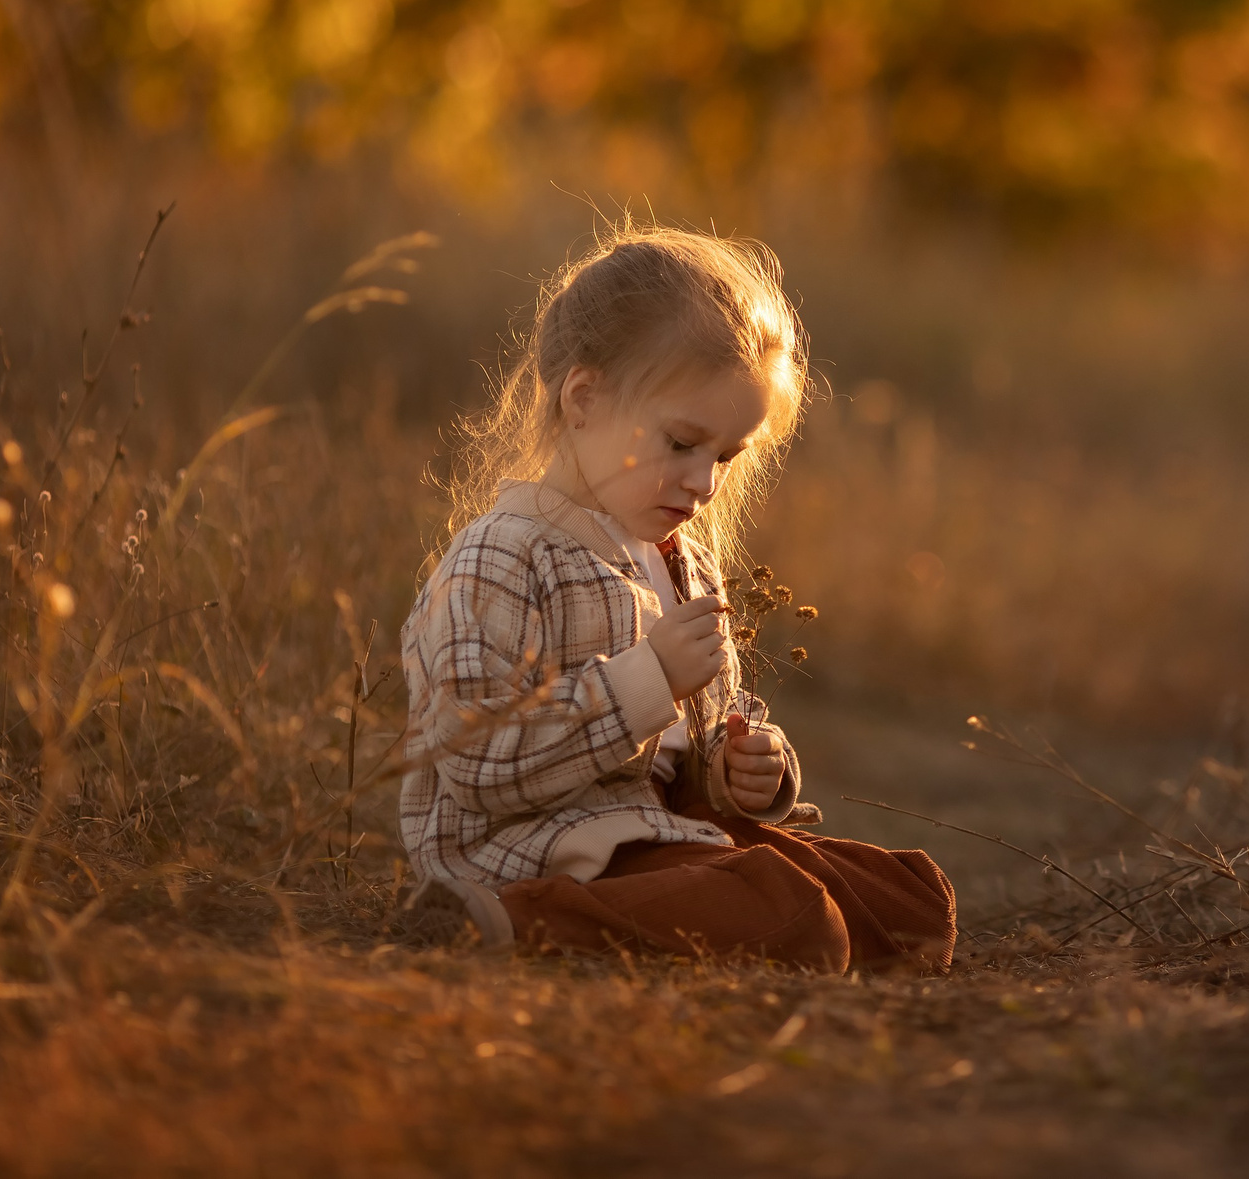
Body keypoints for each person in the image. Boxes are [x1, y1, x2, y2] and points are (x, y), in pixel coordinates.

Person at [399, 224, 954, 972]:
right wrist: (646, 680)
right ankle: (496, 922)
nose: (706, 482)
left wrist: (741, 769)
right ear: (585, 399)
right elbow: (474, 762)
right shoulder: (502, 554)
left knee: (914, 900)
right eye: (682, 443)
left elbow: (689, 745)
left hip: (662, 834)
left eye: (727, 455)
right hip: (543, 851)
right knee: (796, 918)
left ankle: (730, 903)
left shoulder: (679, 557)